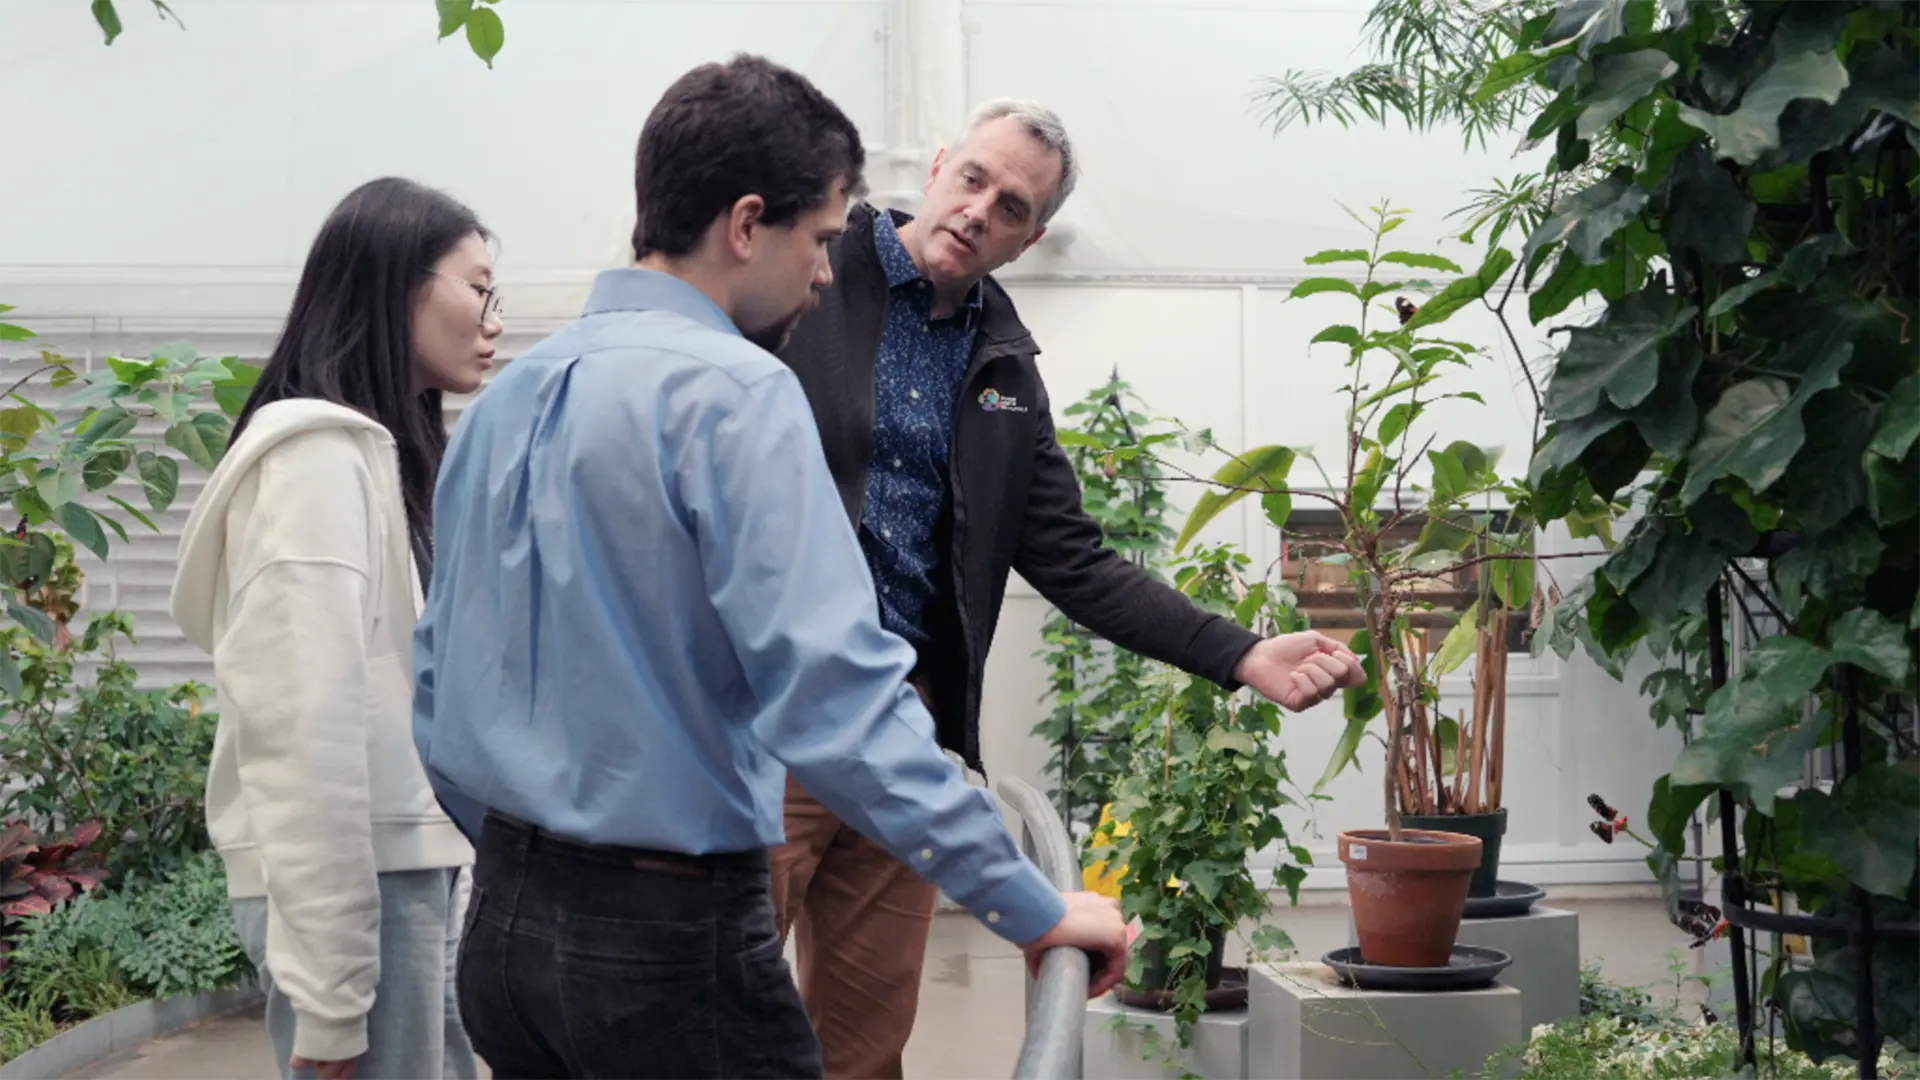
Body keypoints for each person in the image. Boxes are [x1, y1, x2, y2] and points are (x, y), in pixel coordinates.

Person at [410, 54, 1131, 1080]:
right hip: (668, 945)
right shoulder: (740, 394)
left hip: (506, 939)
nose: (829, 272)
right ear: (747, 225)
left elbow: (438, 684)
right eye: (823, 239)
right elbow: (835, 701)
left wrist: (540, 862)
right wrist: (1030, 905)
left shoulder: (510, 397)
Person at [768, 99, 1370, 1077]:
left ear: (1031, 237)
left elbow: (1075, 559)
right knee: (715, 1016)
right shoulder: (811, 274)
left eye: (1011, 206)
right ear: (935, 167)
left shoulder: (1001, 363)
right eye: (973, 179)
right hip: (772, 711)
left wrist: (1244, 652)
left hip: (901, 727)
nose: (979, 211)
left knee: (865, 1043)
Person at [170, 177, 502, 1080]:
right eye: (479, 288)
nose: (494, 319)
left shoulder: (381, 460)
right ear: (399, 282)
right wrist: (329, 996)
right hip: (369, 890)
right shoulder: (314, 461)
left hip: (404, 876)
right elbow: (303, 729)